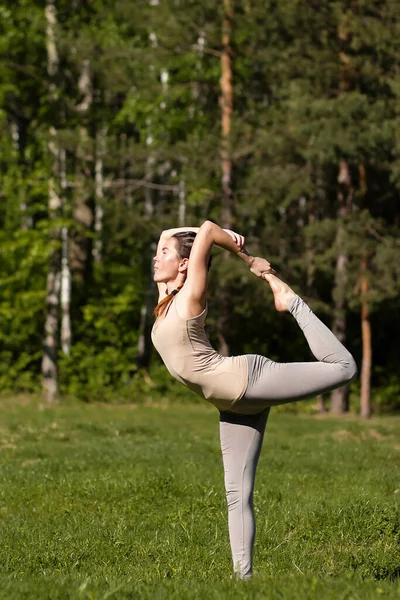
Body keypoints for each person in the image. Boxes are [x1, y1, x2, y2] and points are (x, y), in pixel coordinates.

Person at [151, 220, 357, 580]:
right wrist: (176, 237)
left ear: (185, 263)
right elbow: (174, 232)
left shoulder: (190, 295)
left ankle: (290, 300)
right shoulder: (164, 300)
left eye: (164, 253)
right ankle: (242, 583)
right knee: (237, 494)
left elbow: (208, 228)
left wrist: (242, 255)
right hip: (231, 404)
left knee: (344, 367)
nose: (156, 258)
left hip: (249, 379)